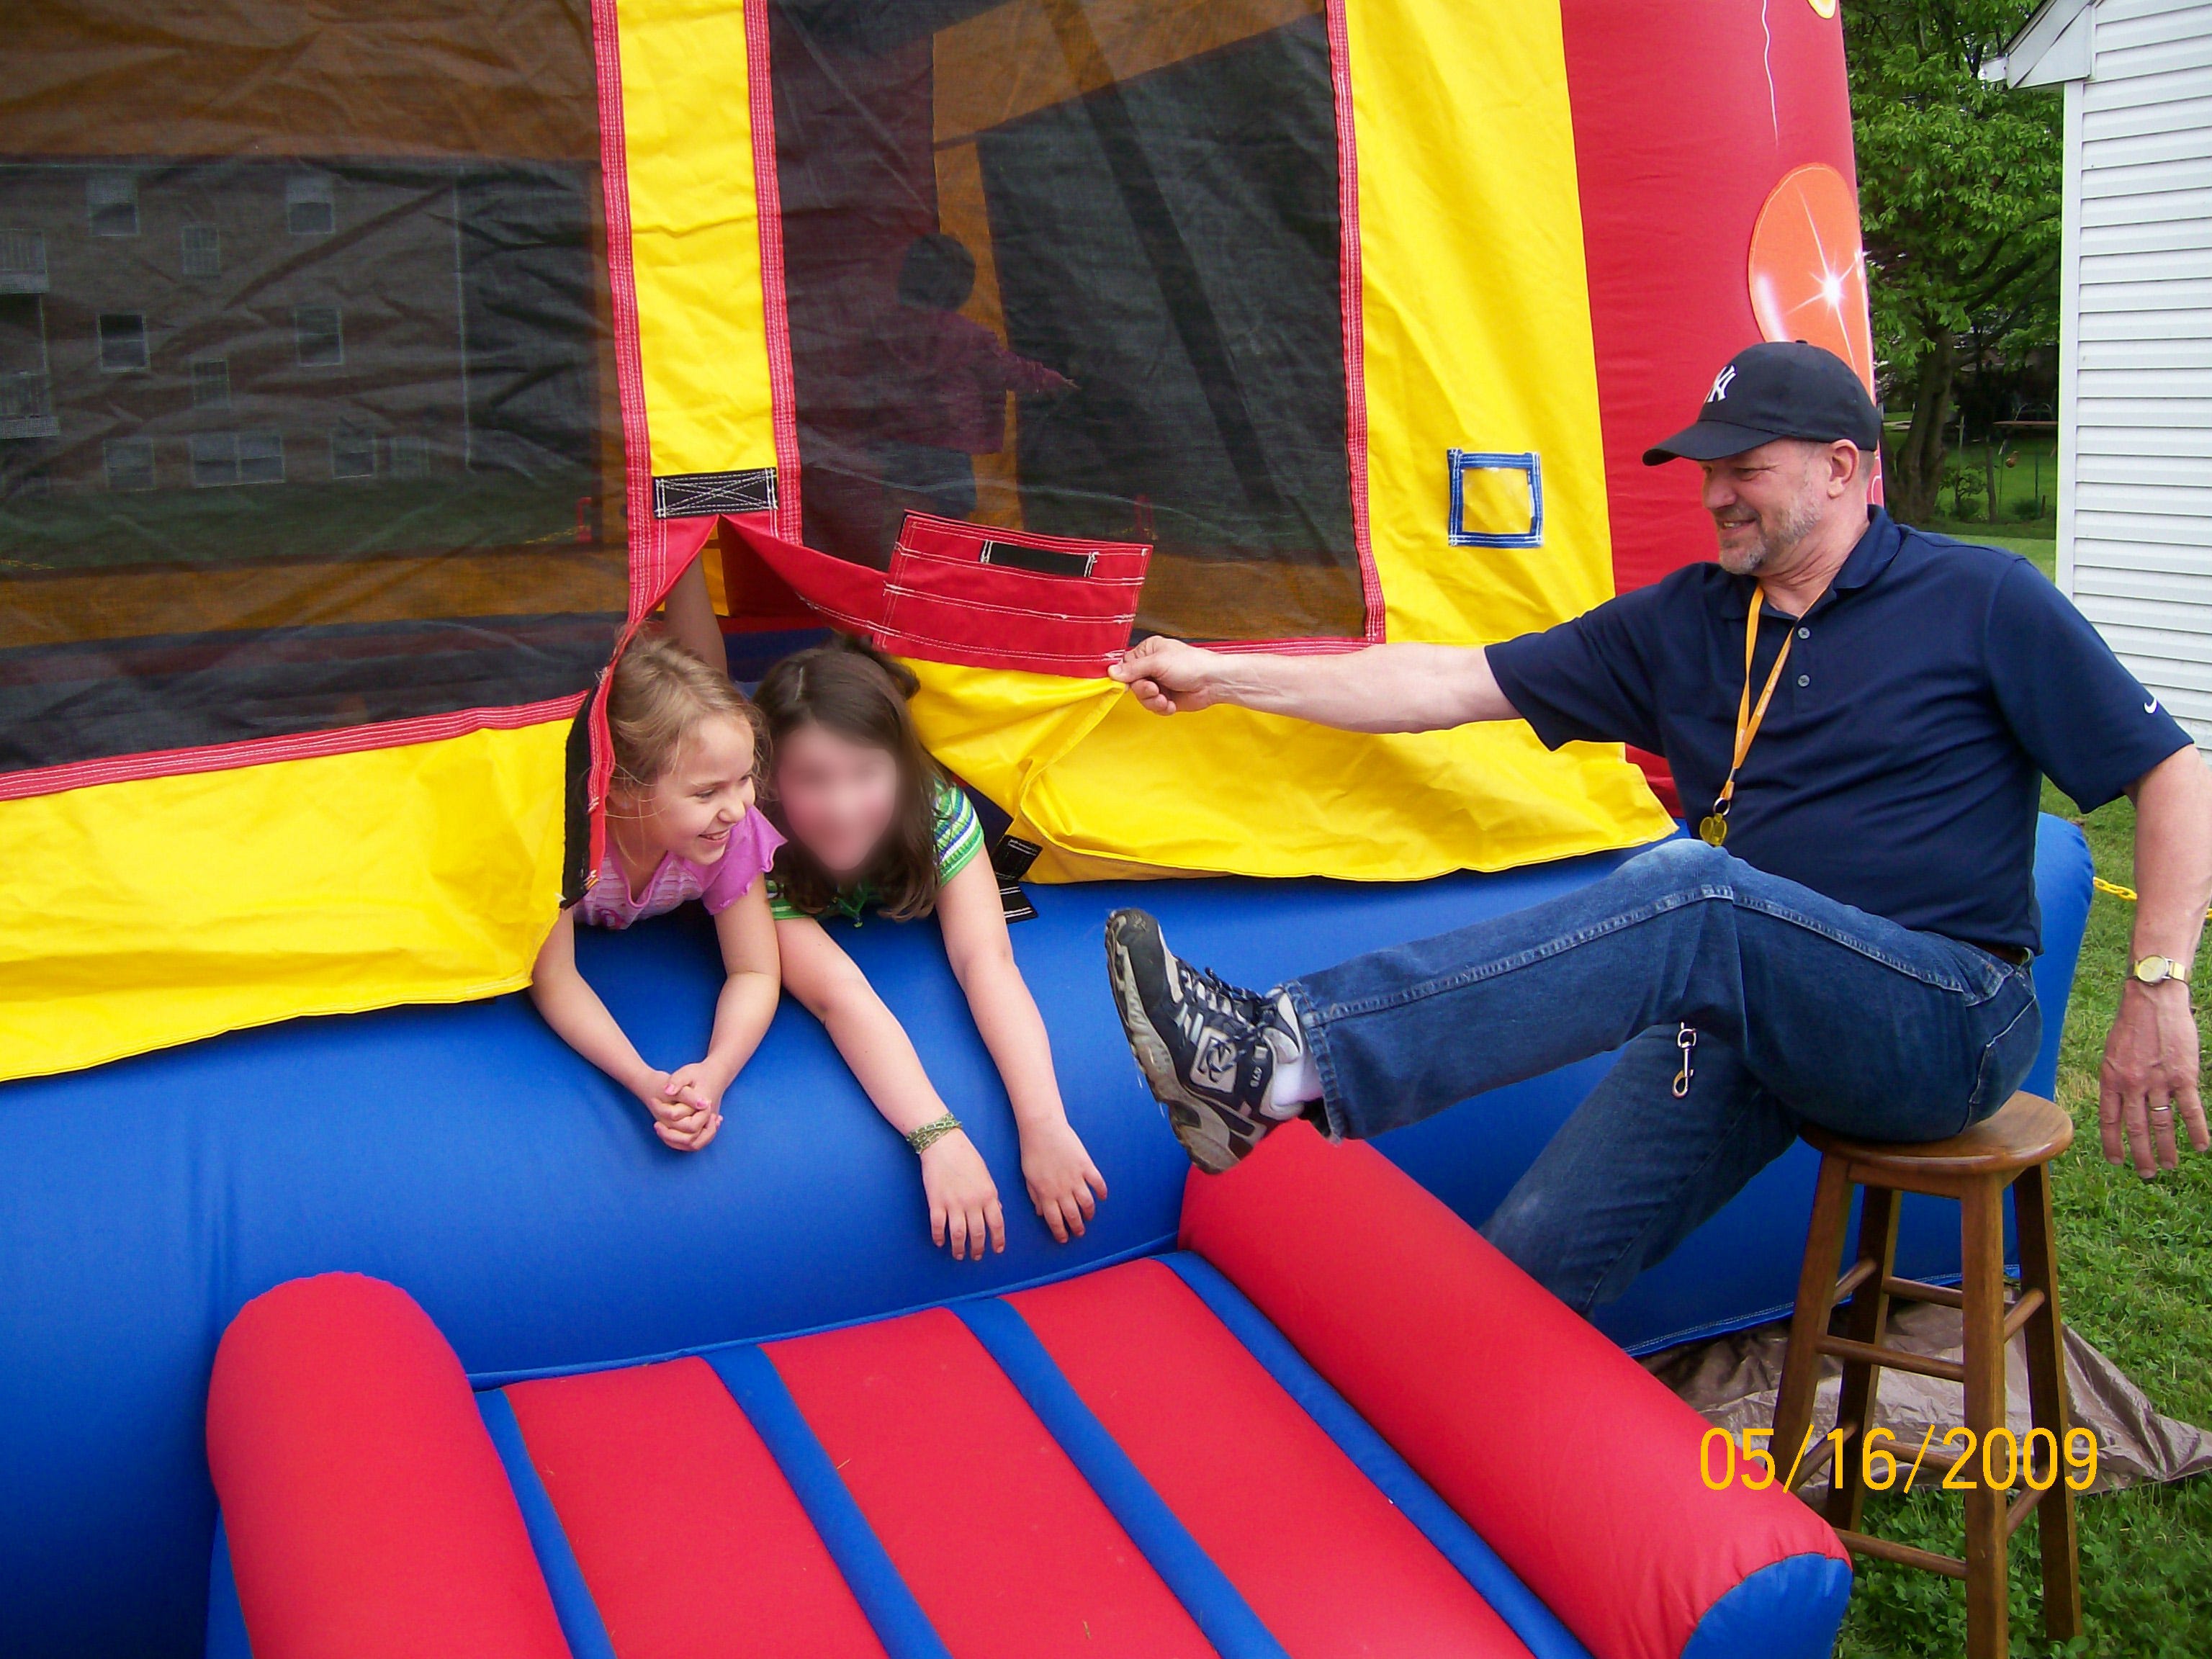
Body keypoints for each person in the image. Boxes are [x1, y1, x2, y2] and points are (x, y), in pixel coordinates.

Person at [1101, 341, 2212, 1314]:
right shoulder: (1687, 618)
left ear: (1840, 468)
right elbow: (1442, 684)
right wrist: (1226, 676)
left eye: (1745, 470)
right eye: (1706, 473)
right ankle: (1435, 1498)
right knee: (1529, 1260)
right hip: (1741, 1012)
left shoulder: (1983, 598)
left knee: (1696, 888)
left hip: (1942, 1020)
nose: (1716, 495)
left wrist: (2158, 981)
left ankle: (1283, 1057)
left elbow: (2173, 772)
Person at [756, 635, 1107, 1262]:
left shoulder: (937, 808)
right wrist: (938, 1138)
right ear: (773, 780)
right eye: (812, 779)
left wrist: (1044, 1124)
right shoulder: (751, 843)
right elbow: (840, 995)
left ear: (900, 765)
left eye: (866, 773)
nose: (841, 807)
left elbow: (986, 962)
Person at [530, 630, 781, 1154]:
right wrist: (644, 1080)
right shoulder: (566, 837)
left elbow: (756, 969)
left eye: (744, 778)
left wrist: (716, 1072)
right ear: (622, 790)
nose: (737, 807)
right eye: (706, 791)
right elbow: (554, 977)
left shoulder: (732, 831)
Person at [873, 233, 1074, 522]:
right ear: (960, 288)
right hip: (947, 444)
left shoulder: (887, 328)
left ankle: (896, 563)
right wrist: (1052, 381)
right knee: (952, 515)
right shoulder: (969, 336)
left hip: (897, 442)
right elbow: (1008, 369)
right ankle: (944, 564)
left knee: (900, 510)